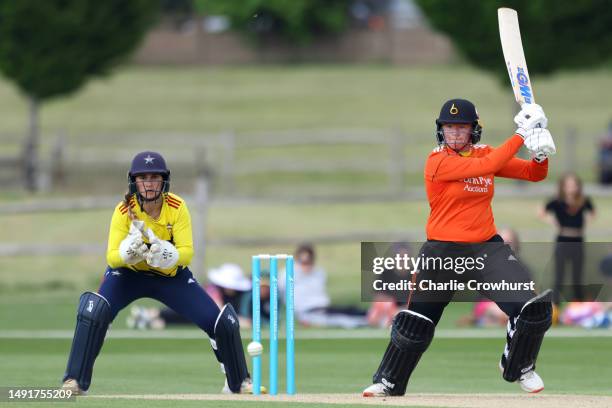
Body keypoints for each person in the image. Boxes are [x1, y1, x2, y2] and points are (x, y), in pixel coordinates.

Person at [362, 99, 556, 397]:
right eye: (448, 127)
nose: (454, 133)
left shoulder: (485, 153)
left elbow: (534, 174)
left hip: (486, 250)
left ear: (472, 130)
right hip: (442, 251)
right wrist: (521, 132)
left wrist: (540, 153)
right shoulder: (437, 161)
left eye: (460, 127)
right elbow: (486, 166)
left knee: (531, 309)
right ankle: (388, 381)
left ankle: (519, 366)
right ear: (441, 130)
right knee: (416, 322)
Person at [61, 151, 261, 395]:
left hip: (170, 277)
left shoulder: (177, 207)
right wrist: (126, 254)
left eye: (154, 177)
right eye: (143, 178)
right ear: (133, 182)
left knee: (220, 321)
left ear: (164, 181)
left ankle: (238, 382)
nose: (148, 183)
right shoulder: (123, 210)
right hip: (128, 276)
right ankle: (74, 381)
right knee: (94, 312)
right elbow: (111, 257)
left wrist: (170, 255)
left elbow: (187, 253)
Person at [126, 263, 252, 329]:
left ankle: (150, 320)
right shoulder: (213, 289)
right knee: (183, 309)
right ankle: (150, 314)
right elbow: (218, 310)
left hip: (201, 318)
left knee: (187, 318)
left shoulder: (240, 296)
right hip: (199, 310)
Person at [279, 243, 368, 329]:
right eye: (303, 262)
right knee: (343, 319)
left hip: (324, 308)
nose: (306, 266)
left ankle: (373, 315)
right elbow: (281, 295)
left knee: (352, 310)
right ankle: (368, 321)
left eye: (308, 262)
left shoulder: (319, 272)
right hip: (307, 312)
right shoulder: (287, 273)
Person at [538, 173, 595, 305]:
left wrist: (586, 222)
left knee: (577, 276)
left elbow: (593, 212)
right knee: (559, 275)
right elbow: (542, 212)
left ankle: (579, 304)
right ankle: (555, 306)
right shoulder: (557, 202)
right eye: (568, 185)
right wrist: (552, 222)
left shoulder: (583, 200)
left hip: (578, 240)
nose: (571, 188)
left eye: (574, 185)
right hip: (563, 239)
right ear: (563, 187)